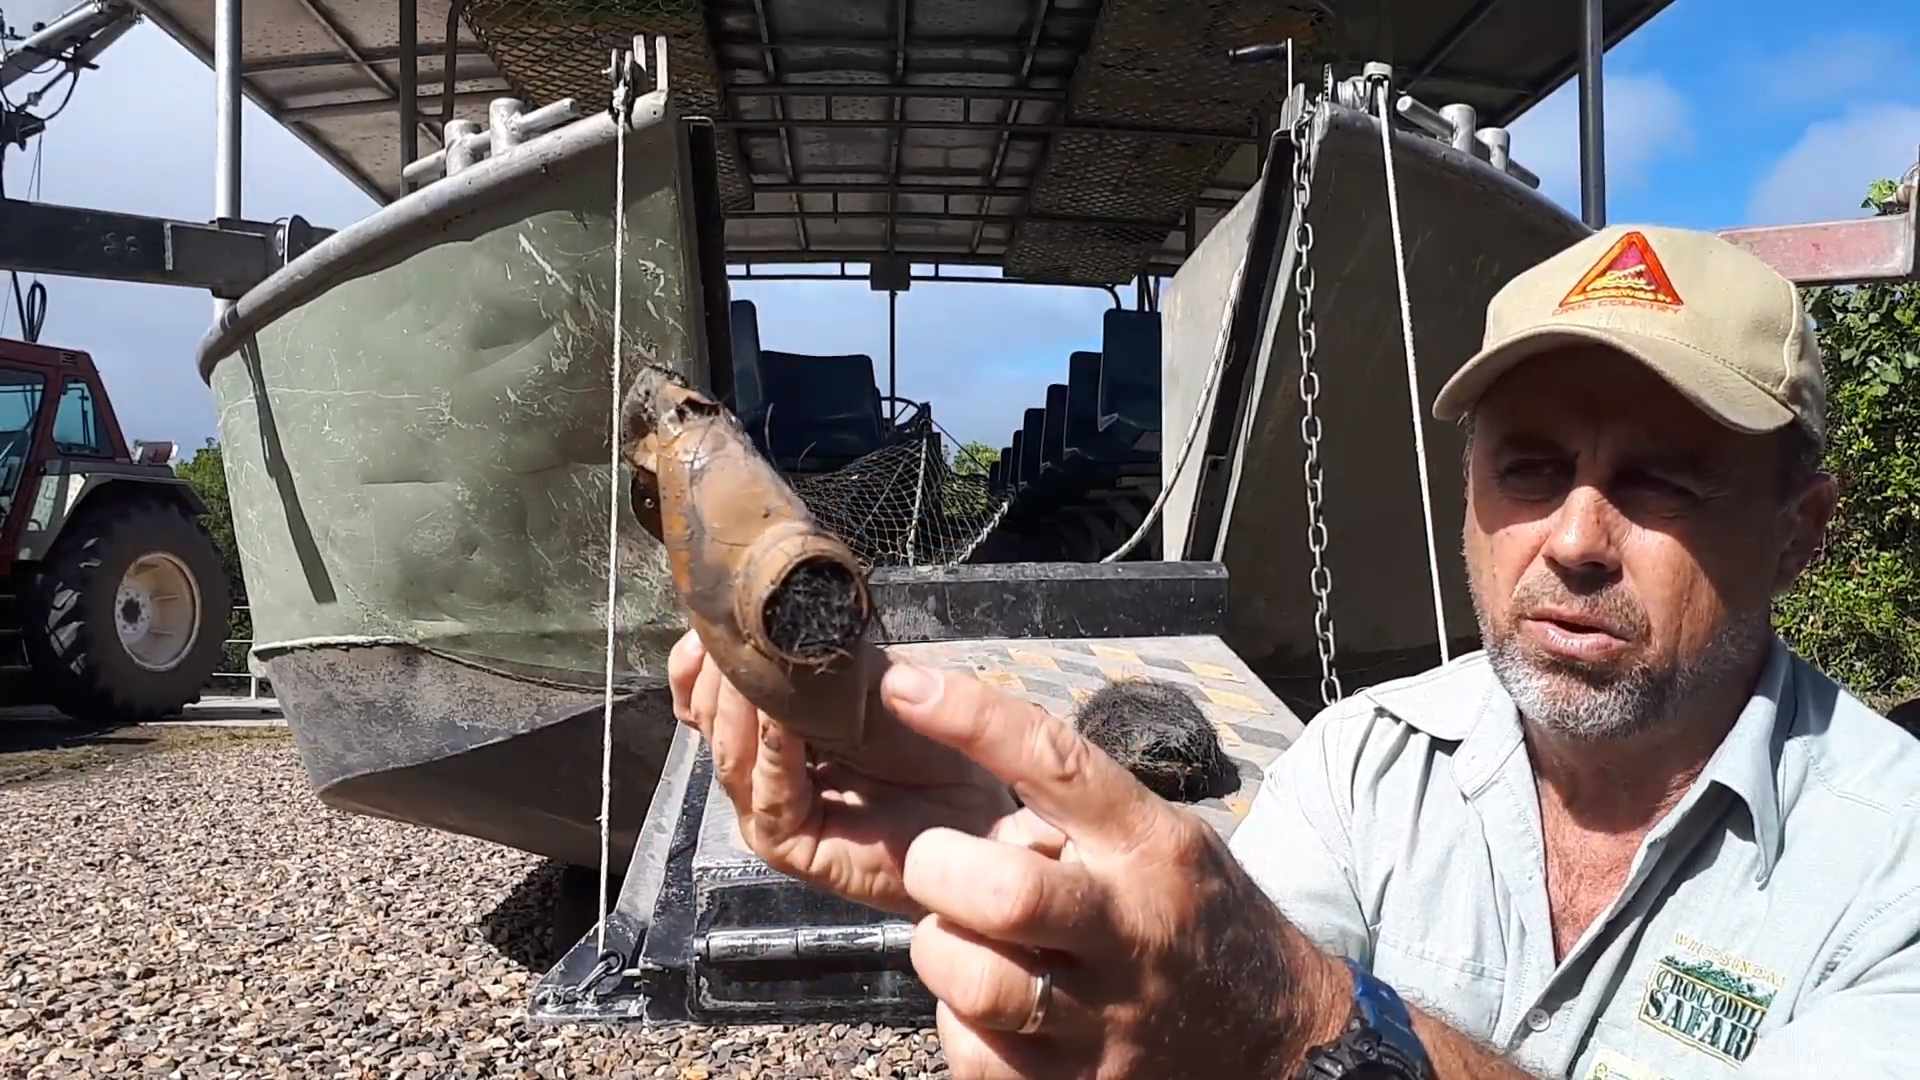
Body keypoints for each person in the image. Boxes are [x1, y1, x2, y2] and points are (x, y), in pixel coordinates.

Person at [668, 225, 1920, 1079]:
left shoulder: (1892, 870)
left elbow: (1257, 997)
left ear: (1800, 532)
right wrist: (1043, 879)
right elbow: (1196, 986)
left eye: (1664, 483)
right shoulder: (1362, 765)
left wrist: (1301, 1025)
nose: (1577, 541)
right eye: (1530, 470)